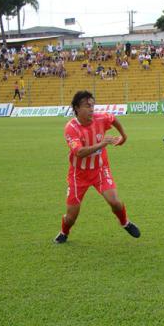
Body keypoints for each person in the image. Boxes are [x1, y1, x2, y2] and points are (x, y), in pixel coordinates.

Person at [54, 90, 140, 243]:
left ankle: (125, 222)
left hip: (100, 169)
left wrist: (124, 136)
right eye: (87, 106)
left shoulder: (100, 118)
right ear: (77, 108)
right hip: (78, 175)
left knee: (115, 201)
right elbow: (79, 152)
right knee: (71, 217)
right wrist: (102, 143)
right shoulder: (71, 128)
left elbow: (113, 119)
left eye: (92, 105)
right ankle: (64, 232)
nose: (91, 109)